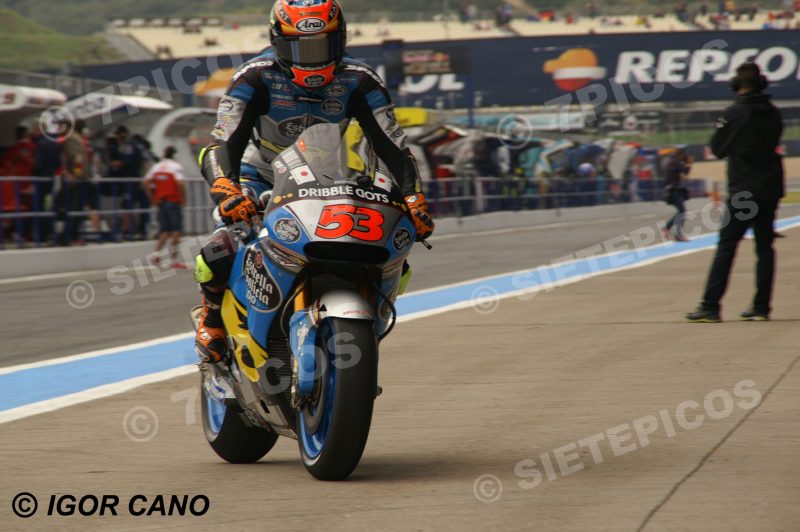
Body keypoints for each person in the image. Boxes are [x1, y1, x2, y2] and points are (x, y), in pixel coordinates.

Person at [193, 0, 435, 363]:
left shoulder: (361, 79)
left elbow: (393, 146)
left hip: (326, 175)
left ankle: (366, 312)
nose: (311, 59)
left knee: (391, 243)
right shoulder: (253, 76)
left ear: (341, 40)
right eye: (299, 49)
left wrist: (413, 198)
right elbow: (222, 141)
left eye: (322, 46)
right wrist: (226, 187)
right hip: (258, 174)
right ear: (278, 42)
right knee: (220, 246)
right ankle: (210, 319)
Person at [687, 62, 784, 322]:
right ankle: (761, 307)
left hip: (744, 189)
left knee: (727, 246)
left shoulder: (733, 113)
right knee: (765, 248)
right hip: (770, 187)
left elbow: (717, 149)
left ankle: (710, 306)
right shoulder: (774, 112)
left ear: (736, 85)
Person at [143, 146, 187, 269]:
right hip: (173, 201)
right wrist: (183, 197)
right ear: (175, 155)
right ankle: (174, 260)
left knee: (165, 231)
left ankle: (155, 255)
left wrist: (152, 197)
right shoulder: (176, 166)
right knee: (176, 231)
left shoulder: (157, 166)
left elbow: (145, 182)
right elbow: (180, 183)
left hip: (161, 202)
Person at [661, 149, 691, 242]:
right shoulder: (676, 162)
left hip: (669, 191)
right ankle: (676, 234)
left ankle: (667, 228)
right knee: (682, 212)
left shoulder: (669, 162)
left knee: (681, 212)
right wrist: (689, 164)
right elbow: (685, 171)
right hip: (674, 191)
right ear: (681, 155)